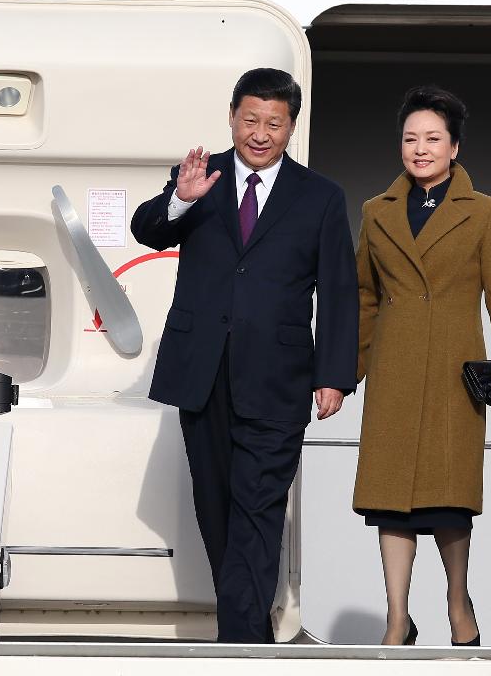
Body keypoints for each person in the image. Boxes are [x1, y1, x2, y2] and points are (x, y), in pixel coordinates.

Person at [131, 68, 358, 644]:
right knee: (218, 512)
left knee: (257, 508)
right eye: (251, 120)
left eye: (274, 124)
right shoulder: (198, 179)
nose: (260, 133)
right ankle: (248, 632)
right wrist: (180, 199)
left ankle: (239, 649)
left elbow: (337, 290)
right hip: (201, 372)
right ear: (231, 118)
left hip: (278, 380)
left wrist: (334, 375)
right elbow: (148, 231)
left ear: (291, 128)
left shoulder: (321, 197)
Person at [353, 86, 491, 647]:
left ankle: (458, 599)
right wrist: (344, 372)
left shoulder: (486, 213)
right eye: (410, 138)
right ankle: (397, 618)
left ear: (454, 147)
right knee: (391, 500)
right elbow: (363, 297)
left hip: (456, 368)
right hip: (395, 366)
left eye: (432, 139)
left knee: (449, 496)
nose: (420, 149)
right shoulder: (375, 213)